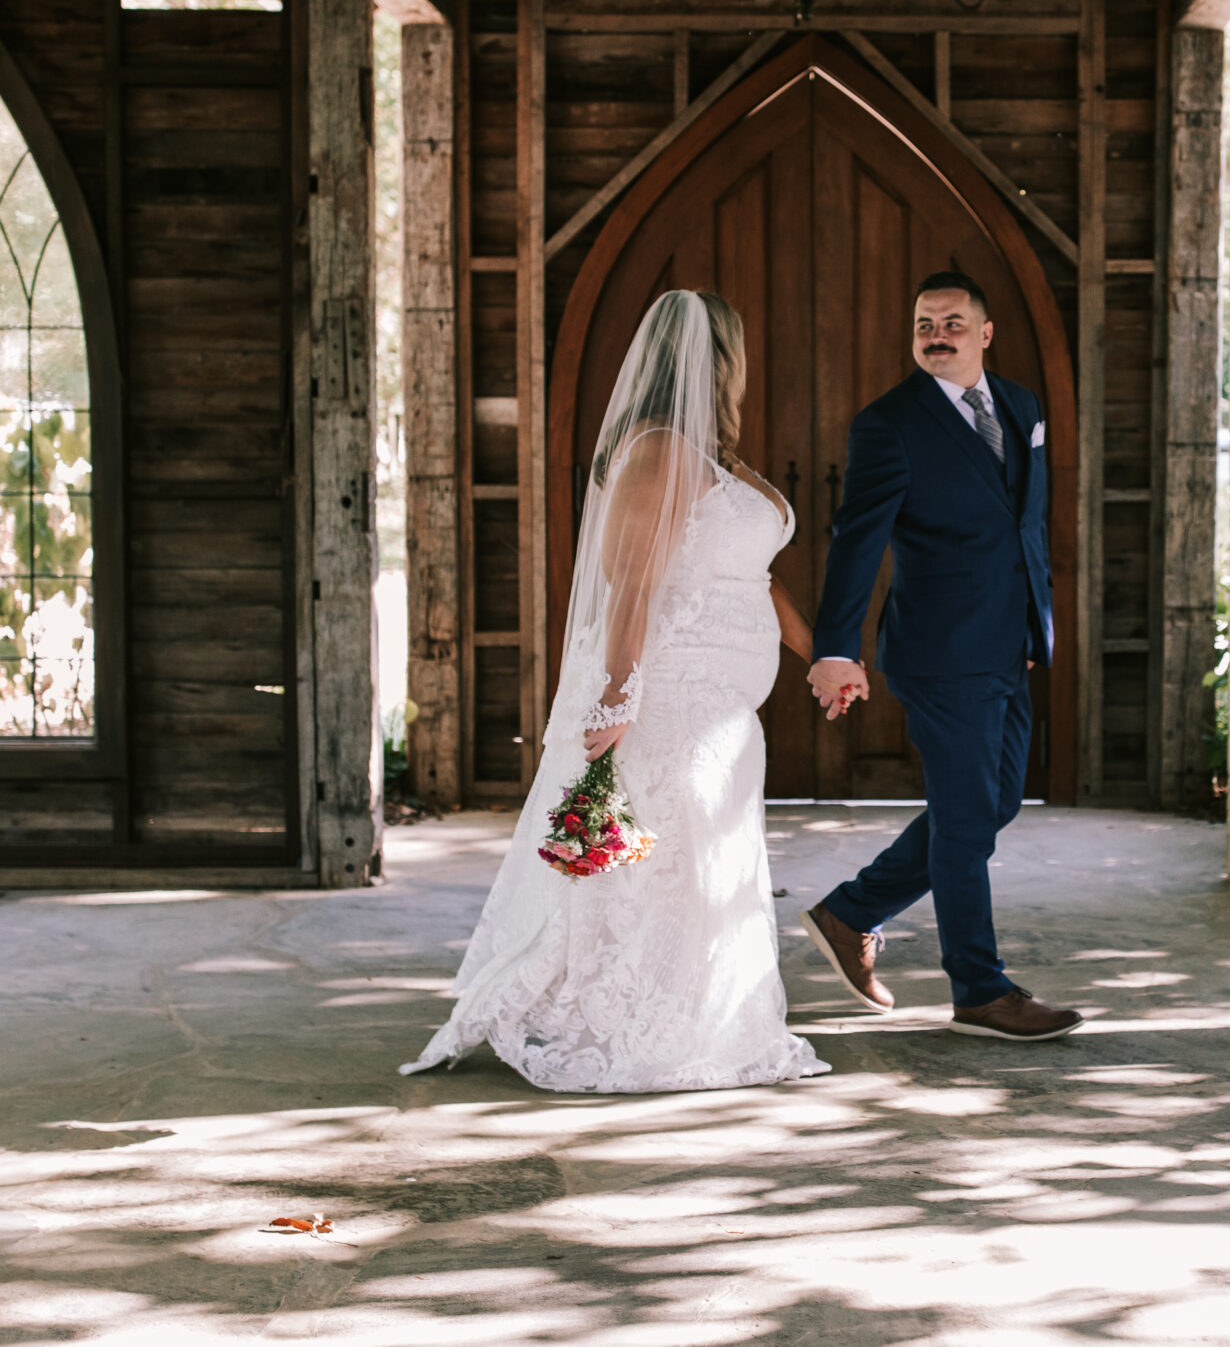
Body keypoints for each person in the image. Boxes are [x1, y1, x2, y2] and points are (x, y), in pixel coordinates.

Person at [403, 290, 830, 1093]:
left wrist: (818, 652)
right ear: (719, 363)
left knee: (712, 863)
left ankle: (712, 1014)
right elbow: (631, 586)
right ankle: (639, 1022)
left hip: (727, 710)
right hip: (672, 694)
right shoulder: (660, 451)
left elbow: (754, 577)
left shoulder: (718, 457)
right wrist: (616, 700)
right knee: (671, 869)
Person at [799, 272, 1084, 1042]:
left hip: (1009, 643)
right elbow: (855, 542)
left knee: (991, 807)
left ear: (984, 333)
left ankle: (850, 910)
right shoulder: (888, 424)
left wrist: (1034, 627)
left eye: (954, 321)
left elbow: (1025, 526)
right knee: (965, 821)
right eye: (925, 322)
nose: (937, 334)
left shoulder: (1021, 406)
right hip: (939, 648)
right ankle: (981, 988)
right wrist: (834, 647)